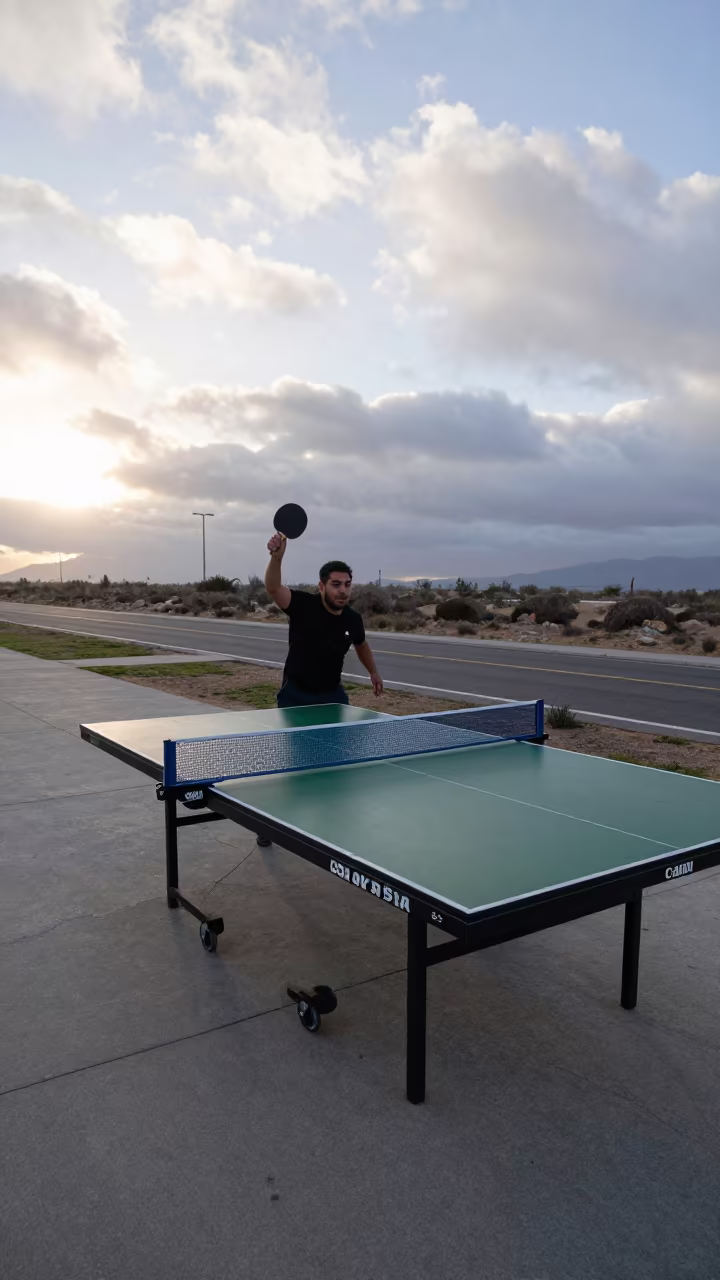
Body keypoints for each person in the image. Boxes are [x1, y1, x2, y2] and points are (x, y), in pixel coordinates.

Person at [265, 532, 384, 708]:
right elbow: (273, 587)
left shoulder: (353, 618)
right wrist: (277, 558)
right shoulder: (303, 605)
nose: (343, 590)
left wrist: (373, 672)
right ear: (321, 586)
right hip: (296, 694)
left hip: (332, 694)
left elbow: (361, 644)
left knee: (338, 736)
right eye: (336, 585)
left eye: (347, 584)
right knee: (299, 737)